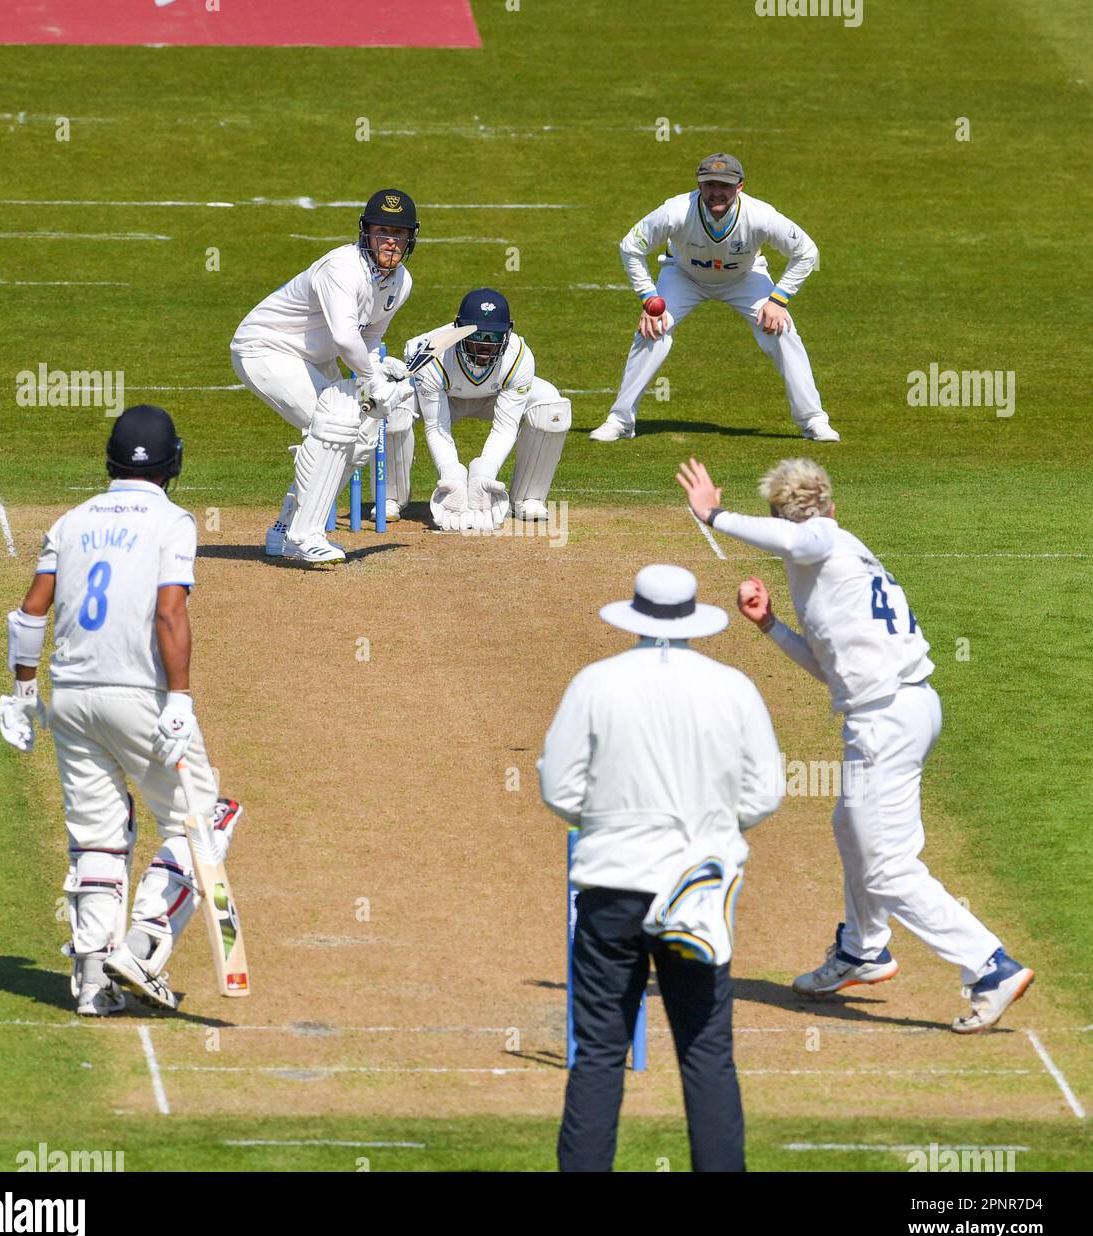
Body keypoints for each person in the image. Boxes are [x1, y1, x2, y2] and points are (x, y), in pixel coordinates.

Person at [677, 455, 1035, 1034]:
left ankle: (989, 965)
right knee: (852, 828)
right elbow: (834, 671)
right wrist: (771, 626)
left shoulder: (821, 540)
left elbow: (805, 533)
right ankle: (863, 950)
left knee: (888, 868)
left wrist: (713, 515)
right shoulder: (839, 560)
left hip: (885, 724)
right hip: (906, 709)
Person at [538, 564, 784, 1171]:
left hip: (613, 888)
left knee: (598, 1055)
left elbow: (560, 789)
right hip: (696, 894)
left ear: (636, 615)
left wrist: (613, 821)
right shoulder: (732, 687)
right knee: (706, 1054)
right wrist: (715, 832)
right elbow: (765, 792)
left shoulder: (596, 683)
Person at [0, 406, 240, 1015]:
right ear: (174, 463)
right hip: (141, 696)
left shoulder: (71, 521)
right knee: (203, 821)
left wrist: (25, 697)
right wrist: (179, 697)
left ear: (109, 459)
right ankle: (143, 947)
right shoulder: (173, 522)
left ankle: (90, 984)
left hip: (71, 700)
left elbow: (29, 616)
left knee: (98, 841)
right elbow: (169, 613)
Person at [590, 153, 840, 443]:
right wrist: (649, 299)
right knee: (652, 329)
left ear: (740, 187)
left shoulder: (761, 216)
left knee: (782, 331)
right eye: (709, 185)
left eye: (725, 185)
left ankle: (813, 421)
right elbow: (630, 246)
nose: (716, 192)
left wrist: (778, 300)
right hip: (683, 276)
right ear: (699, 184)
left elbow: (806, 251)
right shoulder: (674, 211)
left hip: (744, 277)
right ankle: (620, 420)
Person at [230, 189, 419, 564]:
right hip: (265, 348)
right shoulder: (341, 268)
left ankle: (285, 529)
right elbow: (345, 337)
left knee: (362, 435)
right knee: (336, 422)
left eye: (399, 234)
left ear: (410, 238)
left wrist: (379, 370)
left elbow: (368, 338)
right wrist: (373, 381)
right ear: (365, 232)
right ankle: (306, 534)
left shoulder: (400, 283)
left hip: (316, 359)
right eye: (382, 231)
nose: (390, 242)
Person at [396, 288, 571, 529]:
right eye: (477, 335)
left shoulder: (519, 356)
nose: (485, 344)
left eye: (494, 336)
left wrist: (484, 473)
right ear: (459, 330)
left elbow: (505, 427)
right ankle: (392, 497)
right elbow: (437, 426)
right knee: (395, 409)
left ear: (508, 333)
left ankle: (528, 498)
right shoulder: (432, 354)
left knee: (551, 406)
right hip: (446, 398)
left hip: (493, 398)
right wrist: (452, 475)